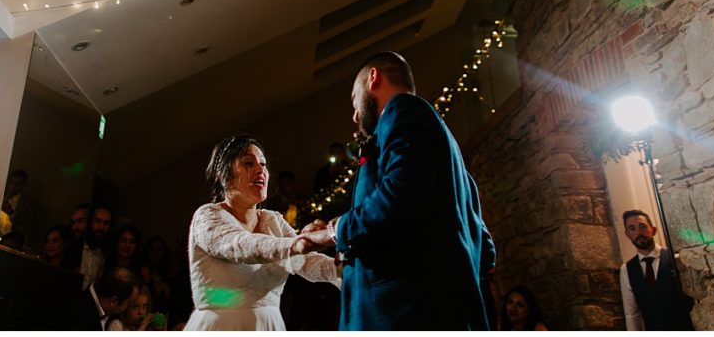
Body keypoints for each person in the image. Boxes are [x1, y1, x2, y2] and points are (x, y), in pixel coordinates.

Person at [302, 51, 495, 330]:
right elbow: (485, 248)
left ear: (373, 77)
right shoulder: (448, 155)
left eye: (355, 100)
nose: (355, 115)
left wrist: (335, 231)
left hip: (404, 314)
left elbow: (400, 197)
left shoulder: (403, 111)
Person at [183, 134, 340, 330]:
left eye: (263, 164)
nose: (260, 170)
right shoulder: (207, 215)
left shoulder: (272, 220)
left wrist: (345, 268)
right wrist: (296, 244)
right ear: (224, 176)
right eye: (249, 163)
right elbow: (241, 245)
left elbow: (305, 262)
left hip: (269, 325)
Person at [619, 209, 694, 330]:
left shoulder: (676, 258)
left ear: (653, 230)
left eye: (642, 226)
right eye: (632, 228)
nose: (638, 232)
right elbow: (632, 314)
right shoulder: (626, 270)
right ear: (627, 234)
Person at [61, 266, 137, 330]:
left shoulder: (109, 310)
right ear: (114, 301)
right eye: (128, 303)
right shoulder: (78, 318)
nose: (128, 308)